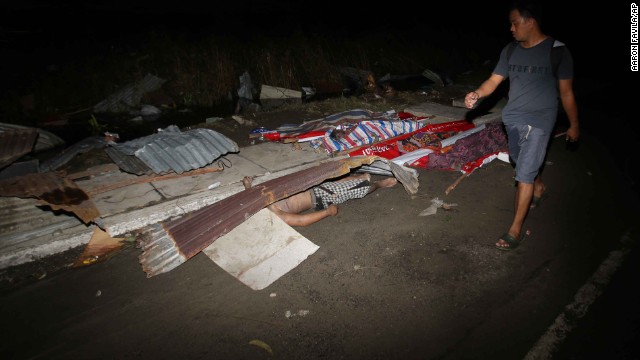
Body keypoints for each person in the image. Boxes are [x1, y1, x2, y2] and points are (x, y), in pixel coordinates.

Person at [464, 0, 579, 251]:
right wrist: (477, 93)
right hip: (513, 118)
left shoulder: (558, 52)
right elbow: (493, 81)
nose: (511, 29)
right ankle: (540, 185)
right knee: (520, 160)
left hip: (541, 120)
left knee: (524, 173)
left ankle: (515, 230)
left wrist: (574, 124)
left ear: (530, 22)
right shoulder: (511, 50)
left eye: (515, 23)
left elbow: (567, 93)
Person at [243, 173, 398, 227]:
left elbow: (250, 195)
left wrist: (248, 185)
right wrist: (327, 212)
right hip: (319, 197)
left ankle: (359, 177)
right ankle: (379, 184)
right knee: (358, 189)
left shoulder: (258, 200)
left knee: (338, 181)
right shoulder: (273, 213)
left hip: (309, 187)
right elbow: (301, 221)